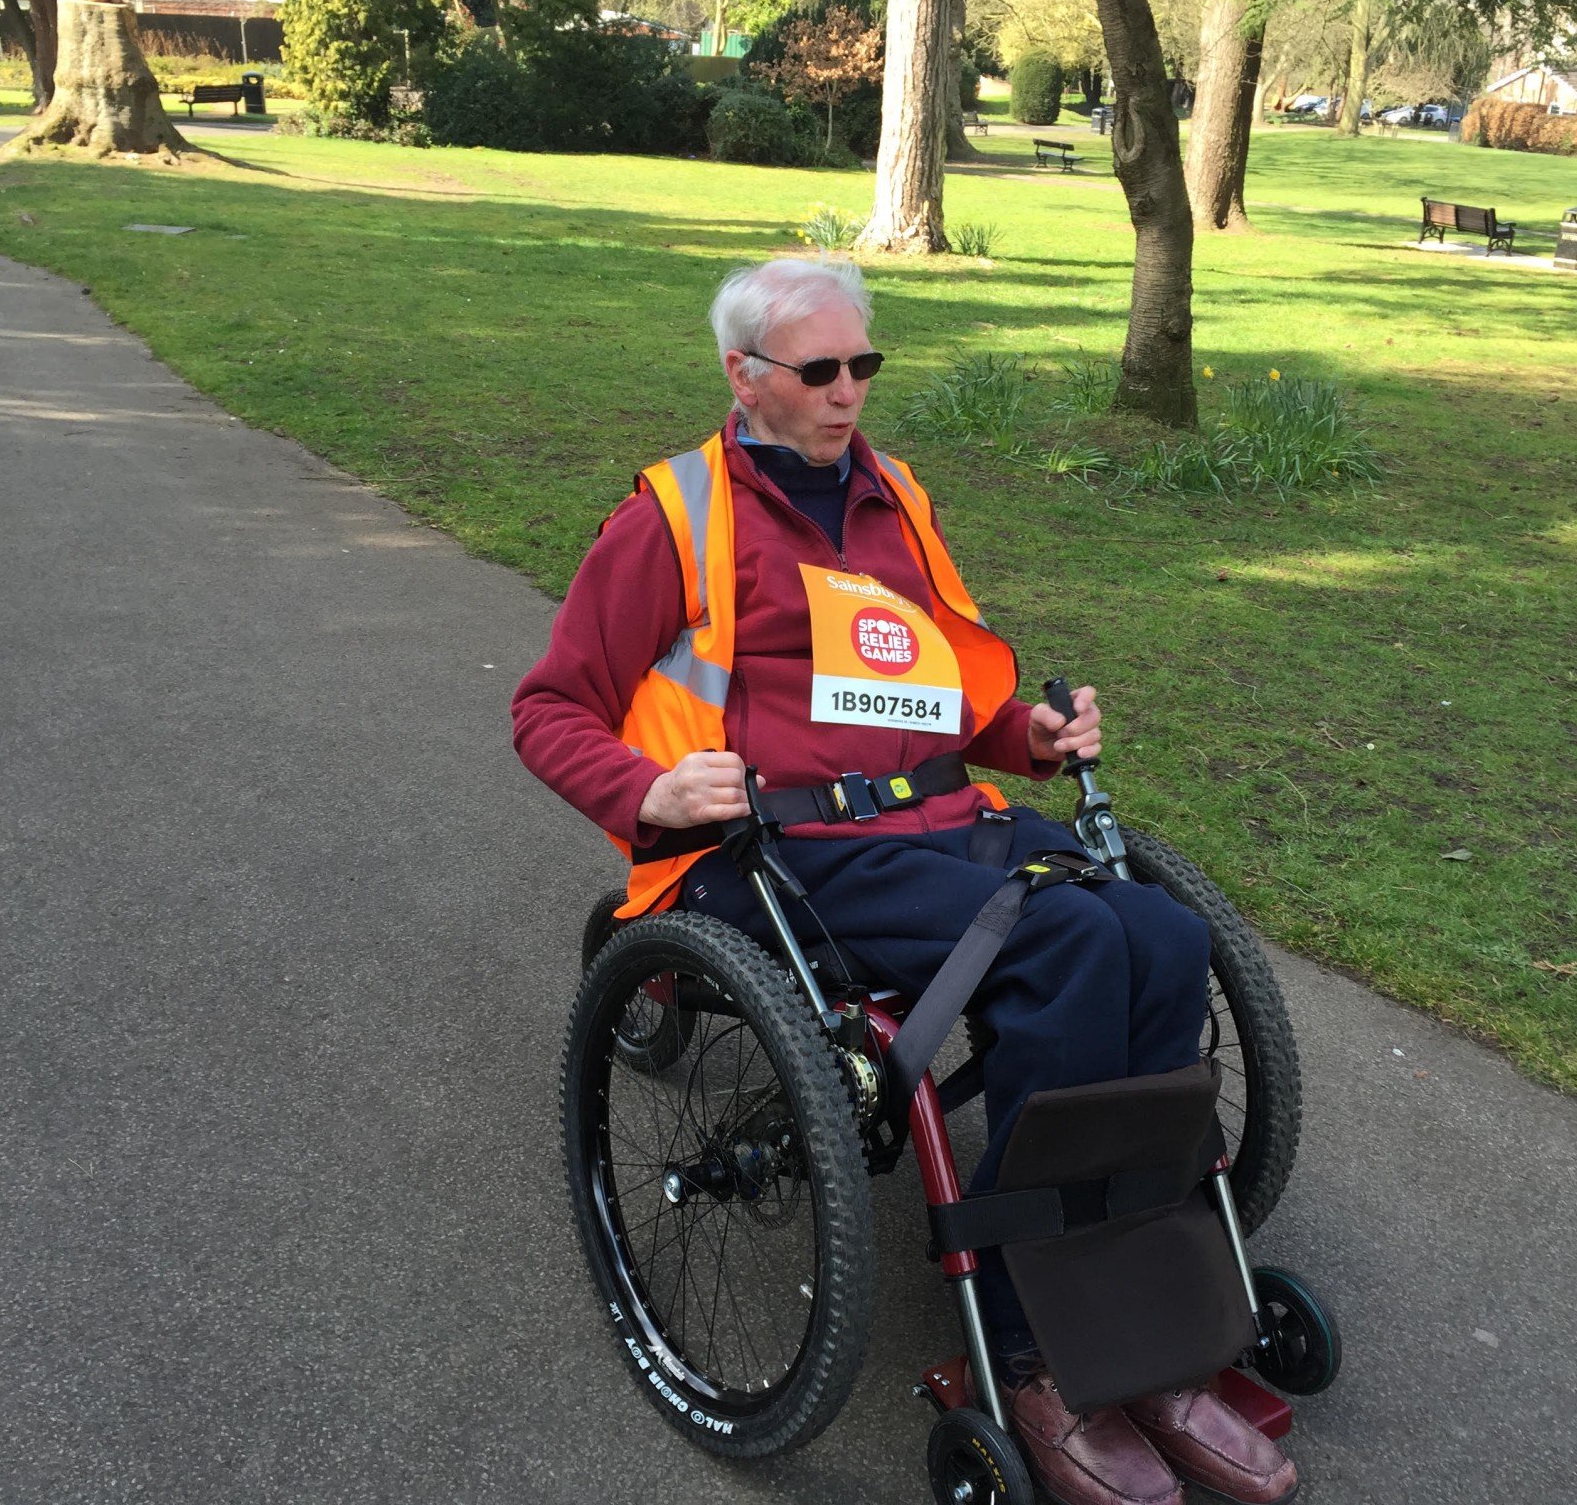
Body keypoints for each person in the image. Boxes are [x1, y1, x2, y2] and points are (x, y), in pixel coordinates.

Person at [512, 258, 1298, 1505]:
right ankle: (1035, 1347)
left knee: (1156, 933)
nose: (845, 395)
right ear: (744, 376)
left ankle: (1142, 1319)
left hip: (938, 822)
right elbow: (549, 708)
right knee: (1071, 946)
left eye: (860, 366)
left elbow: (933, 689)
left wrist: (1022, 738)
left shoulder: (894, 498)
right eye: (817, 371)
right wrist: (645, 794)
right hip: (778, 853)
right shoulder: (674, 516)